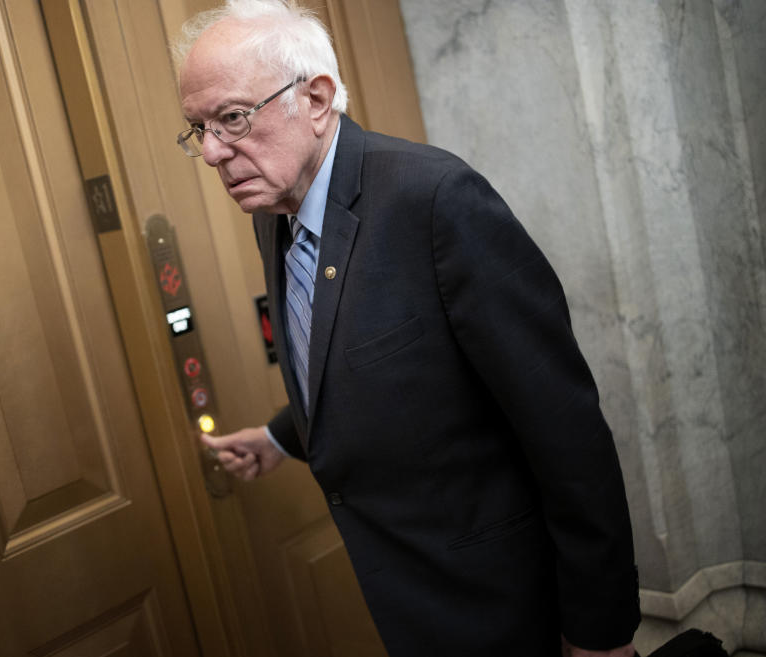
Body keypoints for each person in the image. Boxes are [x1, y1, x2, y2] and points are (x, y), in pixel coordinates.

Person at [175, 1, 640, 655]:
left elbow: (568, 432)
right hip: (414, 608)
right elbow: (369, 356)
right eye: (198, 127)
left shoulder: (436, 202)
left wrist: (600, 630)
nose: (213, 152)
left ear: (316, 98)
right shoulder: (272, 210)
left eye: (231, 117)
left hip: (508, 604)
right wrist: (284, 433)